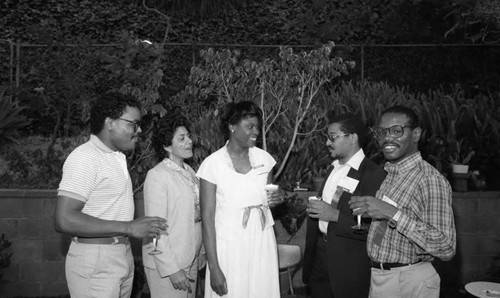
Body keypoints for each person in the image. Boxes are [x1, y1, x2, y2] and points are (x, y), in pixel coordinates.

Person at [54, 92, 168, 298]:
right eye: (133, 124)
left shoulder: (116, 157)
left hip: (120, 254)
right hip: (96, 260)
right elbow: (64, 219)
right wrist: (128, 227)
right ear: (109, 123)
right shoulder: (85, 158)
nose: (139, 130)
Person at [349, 105, 456, 298]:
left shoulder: (429, 179)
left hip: (409, 281)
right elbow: (393, 226)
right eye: (381, 132)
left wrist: (392, 213)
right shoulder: (391, 173)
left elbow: (446, 247)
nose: (387, 138)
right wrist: (372, 218)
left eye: (396, 131)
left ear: (415, 134)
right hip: (382, 277)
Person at [197, 101, 282, 298]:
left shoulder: (265, 160)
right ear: (232, 126)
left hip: (262, 242)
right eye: (250, 126)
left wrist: (278, 198)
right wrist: (214, 267)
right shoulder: (212, 165)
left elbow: (270, 200)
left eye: (257, 127)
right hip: (229, 247)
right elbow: (207, 221)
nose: (256, 132)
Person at [302, 112, 387, 298]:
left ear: (353, 138)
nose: (327, 143)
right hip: (320, 259)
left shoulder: (374, 175)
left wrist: (335, 216)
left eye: (333, 137)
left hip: (349, 267)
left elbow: (377, 232)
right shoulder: (333, 168)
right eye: (328, 137)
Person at [142, 115, 204, 298]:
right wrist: (171, 269)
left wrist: (201, 251)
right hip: (167, 263)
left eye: (188, 136)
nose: (189, 141)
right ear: (167, 146)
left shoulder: (189, 171)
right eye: (181, 138)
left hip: (190, 258)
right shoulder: (158, 176)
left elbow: (196, 215)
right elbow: (155, 228)